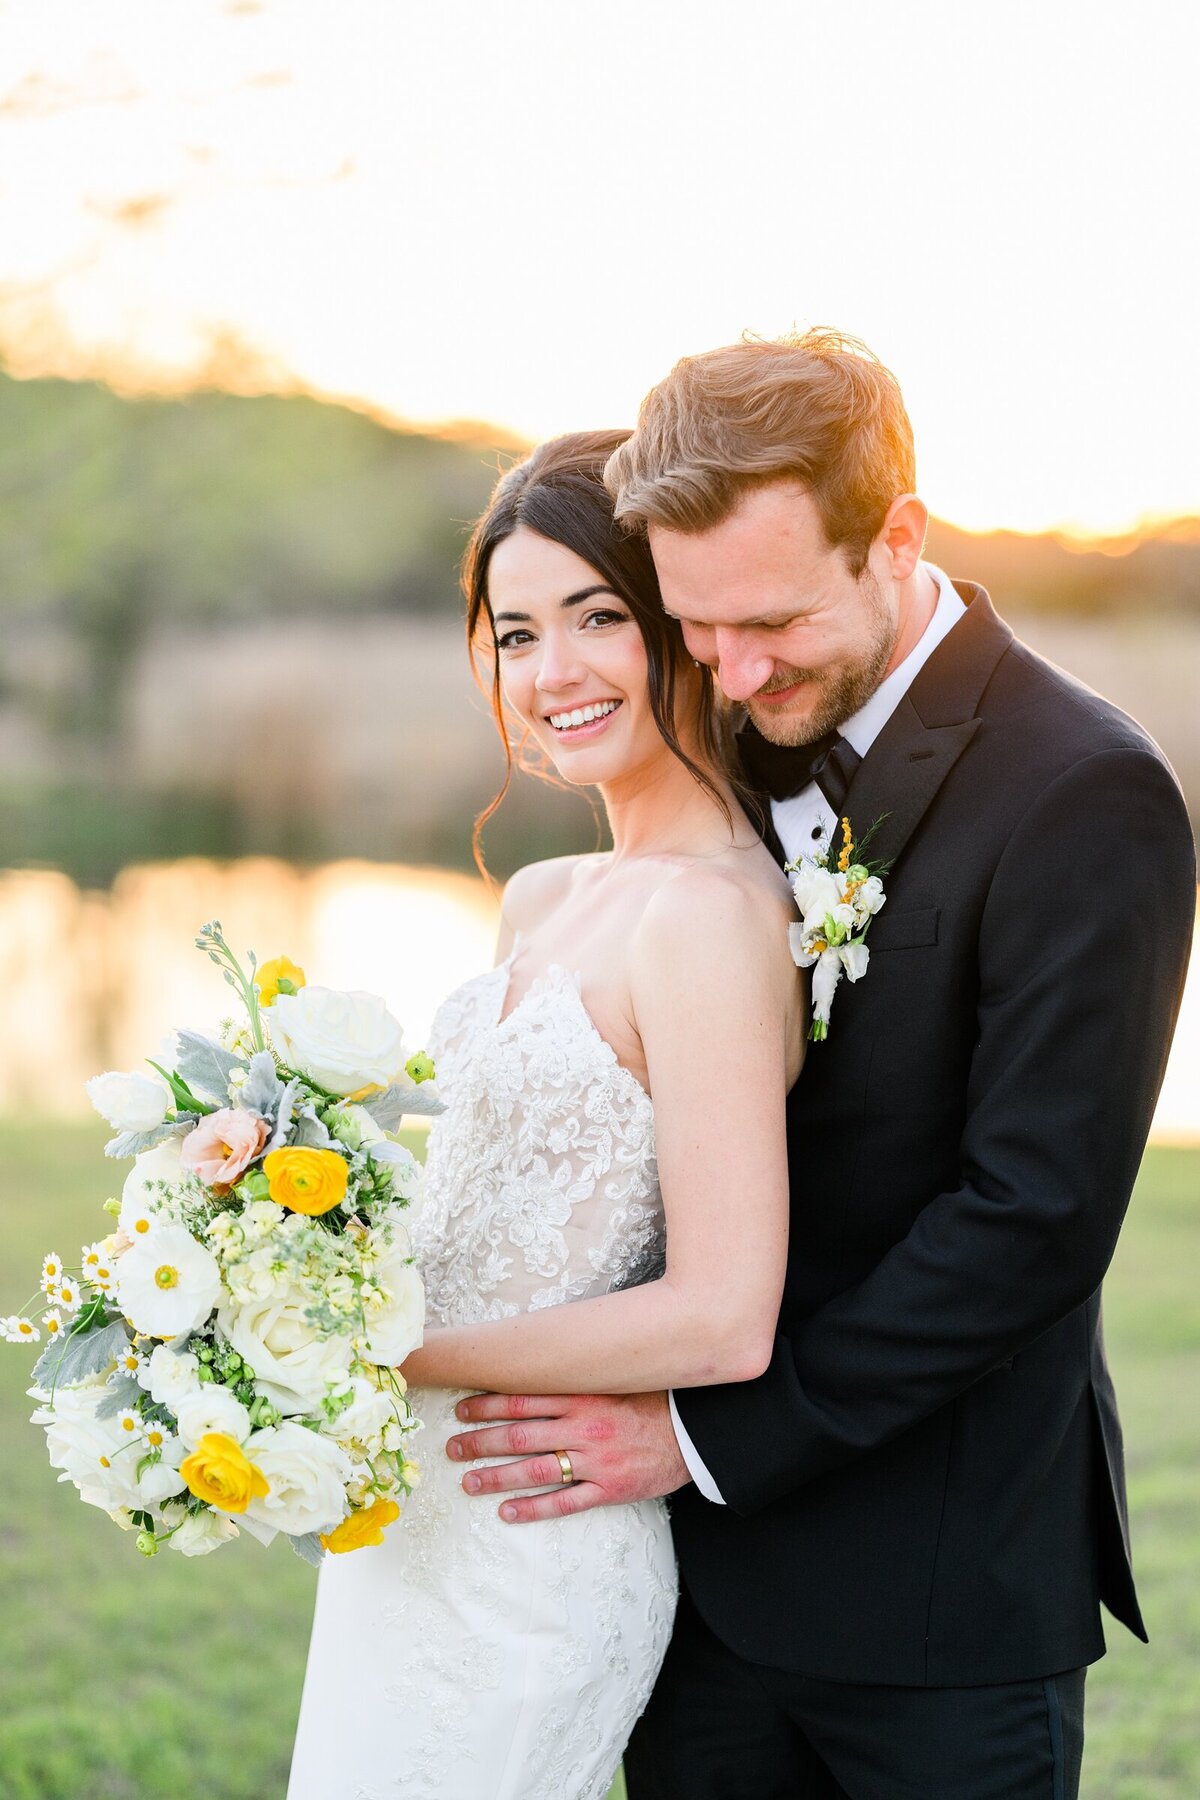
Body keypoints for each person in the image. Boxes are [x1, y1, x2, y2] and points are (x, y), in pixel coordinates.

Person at [447, 333, 1197, 1798]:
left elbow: (1030, 1216)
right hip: (683, 1588)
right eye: (695, 624)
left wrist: (704, 1437)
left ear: (897, 537)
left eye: (770, 621)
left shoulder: (1082, 790)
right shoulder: (727, 731)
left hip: (936, 1591)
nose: (727, 669)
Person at [286, 431, 805, 1800]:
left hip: (532, 1547)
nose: (553, 671)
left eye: (597, 618)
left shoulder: (710, 919)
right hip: (406, 1526)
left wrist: (394, 1355)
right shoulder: (543, 900)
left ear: (682, 630)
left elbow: (722, 1313)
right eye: (517, 633)